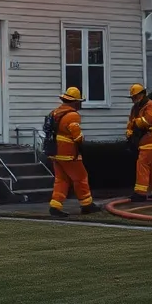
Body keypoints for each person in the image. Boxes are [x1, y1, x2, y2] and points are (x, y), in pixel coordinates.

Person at [48, 86, 101, 218]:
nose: (80, 105)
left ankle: (55, 206)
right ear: (75, 102)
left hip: (55, 152)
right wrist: (82, 141)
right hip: (68, 153)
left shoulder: (55, 112)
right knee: (81, 177)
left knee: (61, 179)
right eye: (79, 102)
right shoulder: (72, 115)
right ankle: (86, 204)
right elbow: (76, 134)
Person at [126, 83, 152, 202]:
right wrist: (129, 132)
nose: (134, 100)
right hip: (143, 142)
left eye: (135, 97)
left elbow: (148, 120)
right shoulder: (135, 108)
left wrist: (135, 123)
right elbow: (131, 122)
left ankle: (140, 193)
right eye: (132, 97)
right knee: (150, 165)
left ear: (142, 94)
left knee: (142, 163)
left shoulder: (151, 105)